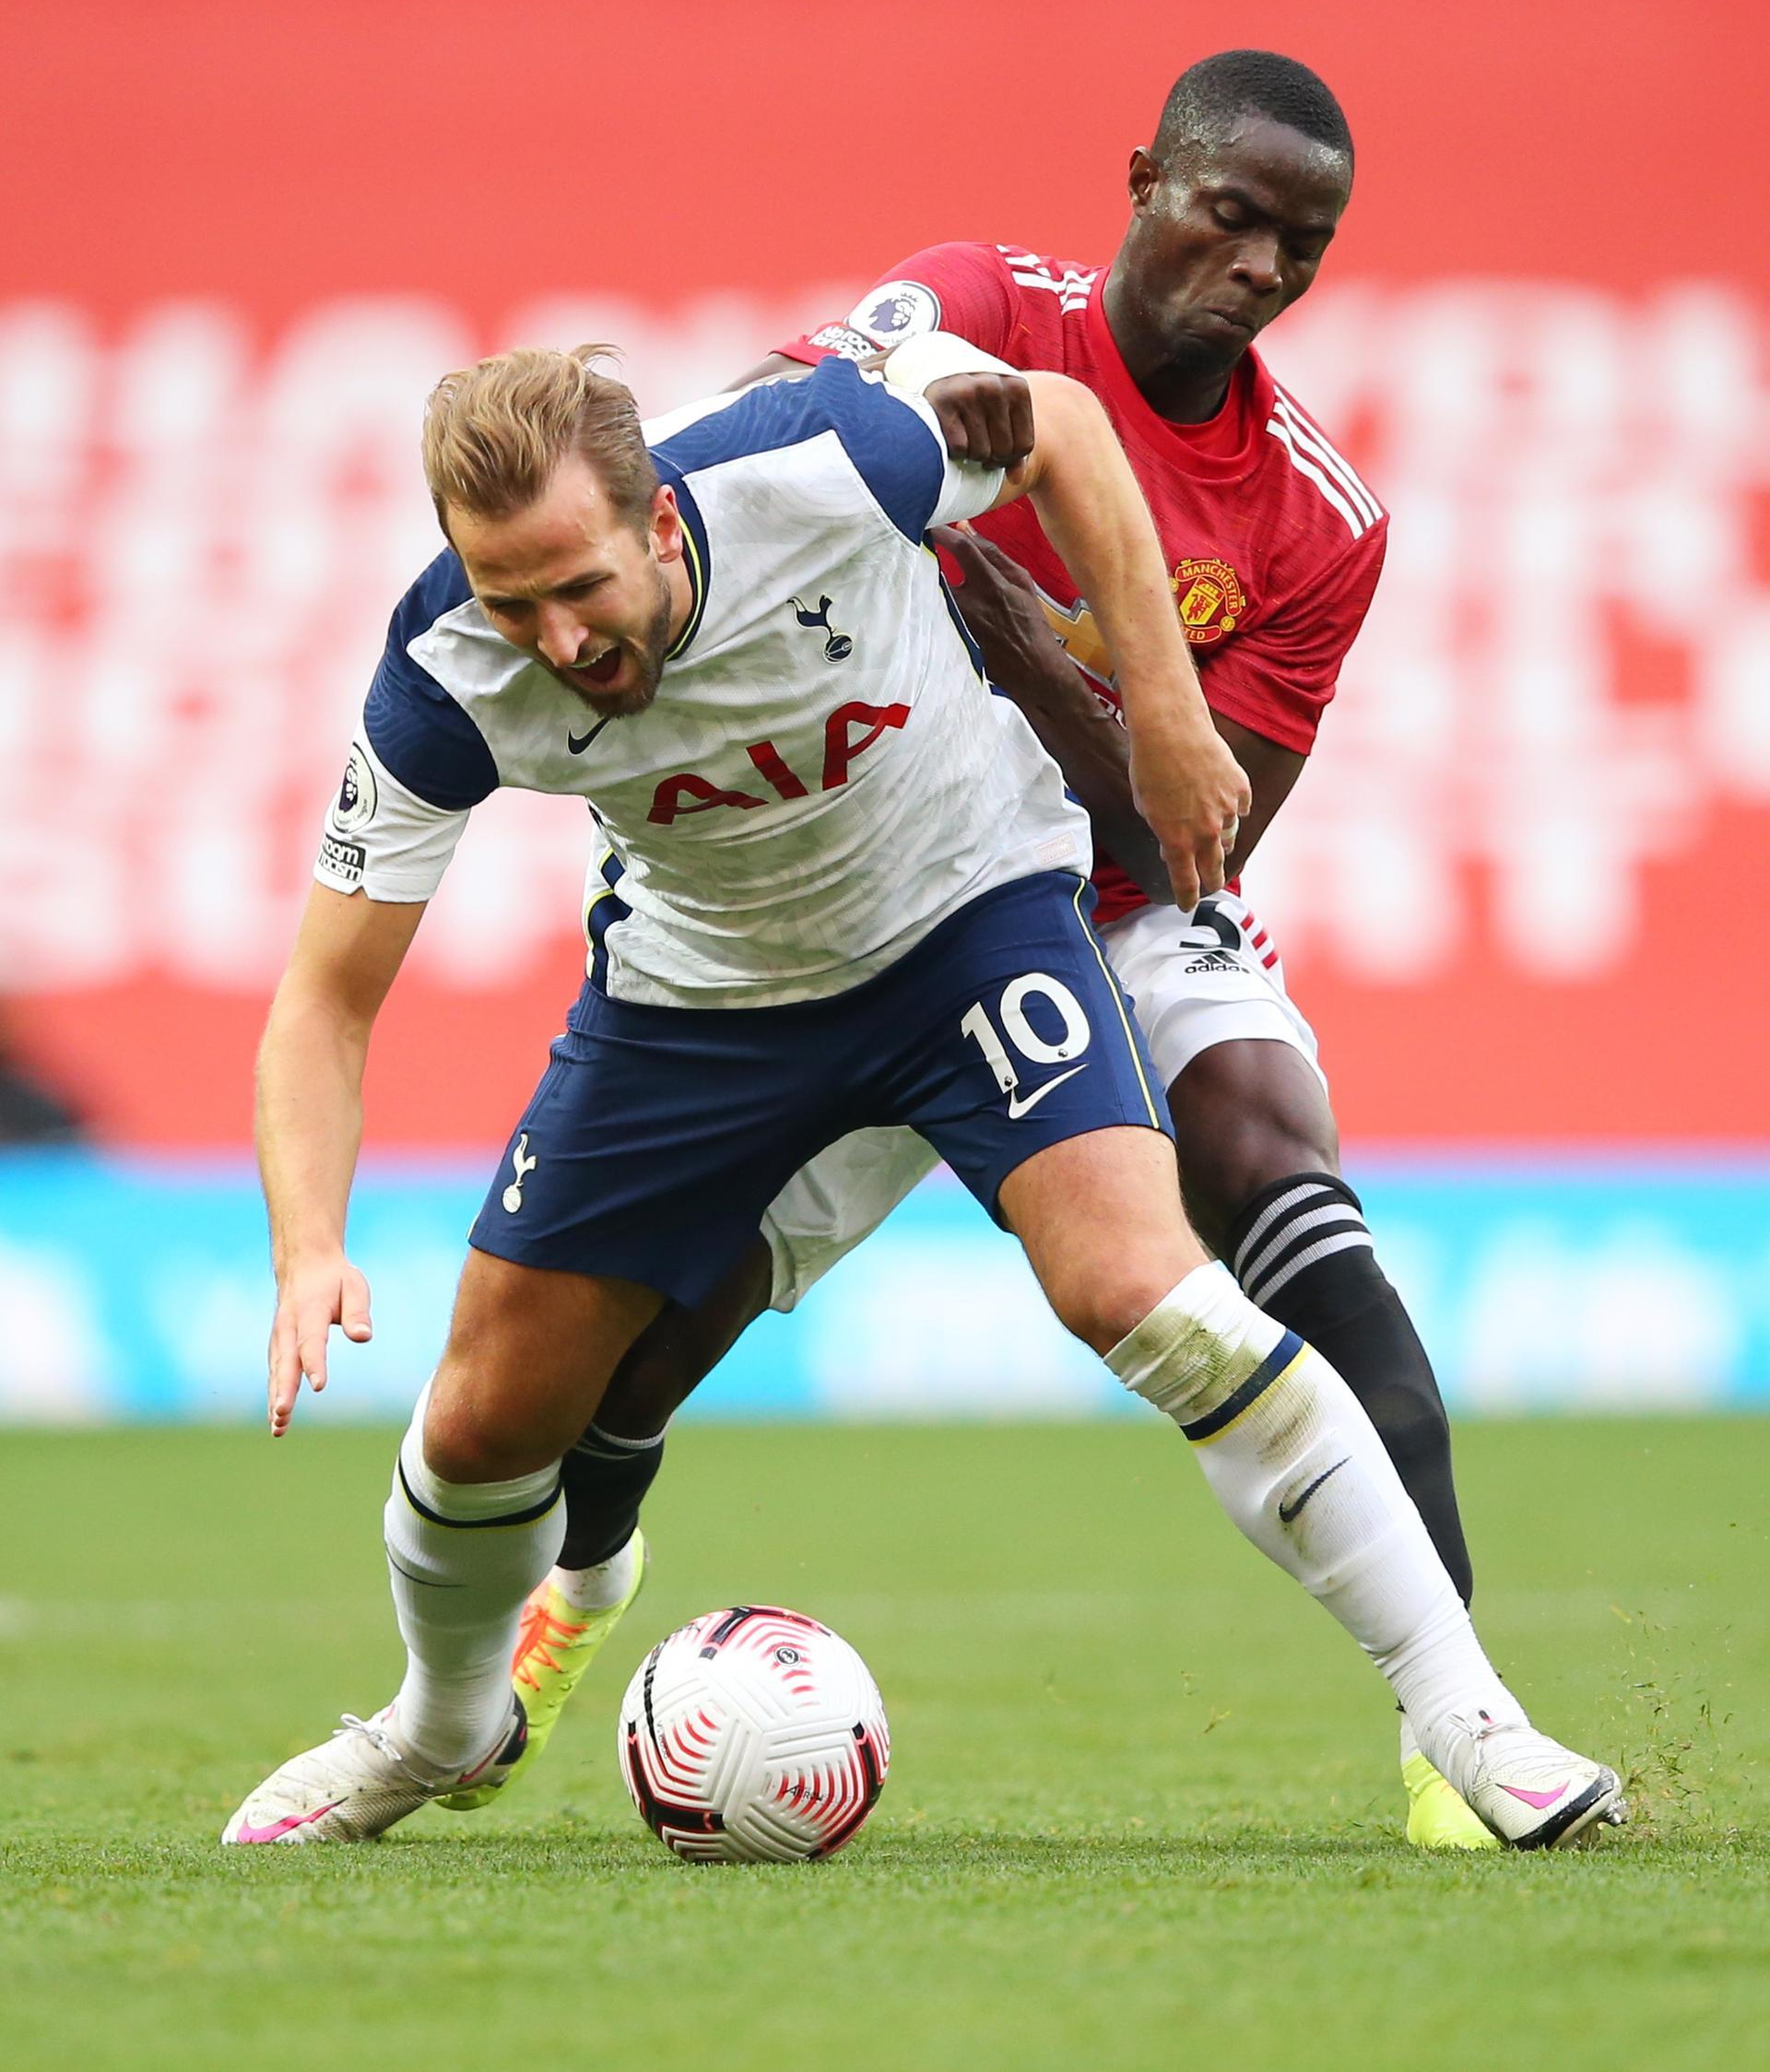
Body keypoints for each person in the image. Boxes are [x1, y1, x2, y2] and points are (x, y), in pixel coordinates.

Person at [223, 337, 1621, 1849]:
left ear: (663, 523)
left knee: (1145, 1294)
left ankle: (1471, 1719)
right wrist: (309, 1242)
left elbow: (1067, 428)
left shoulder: (822, 461)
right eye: (514, 600)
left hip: (967, 921)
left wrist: (1160, 707)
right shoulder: (444, 668)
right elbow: (323, 1001)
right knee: (486, 1422)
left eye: (582, 584)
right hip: (699, 1000)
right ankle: (440, 1728)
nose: (557, 638)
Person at [502, 50, 1501, 1851]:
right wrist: (886, 489)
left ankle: (1458, 1726)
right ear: (1144, 182)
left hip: (1102, 911)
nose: (1262, 265)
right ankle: (566, 1614)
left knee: (1283, 1176)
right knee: (633, 1358)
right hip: (880, 894)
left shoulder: (1314, 520)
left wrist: (1017, 624)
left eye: (1305, 244)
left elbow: (1188, 839)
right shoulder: (976, 308)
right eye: (1232, 214)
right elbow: (740, 455)